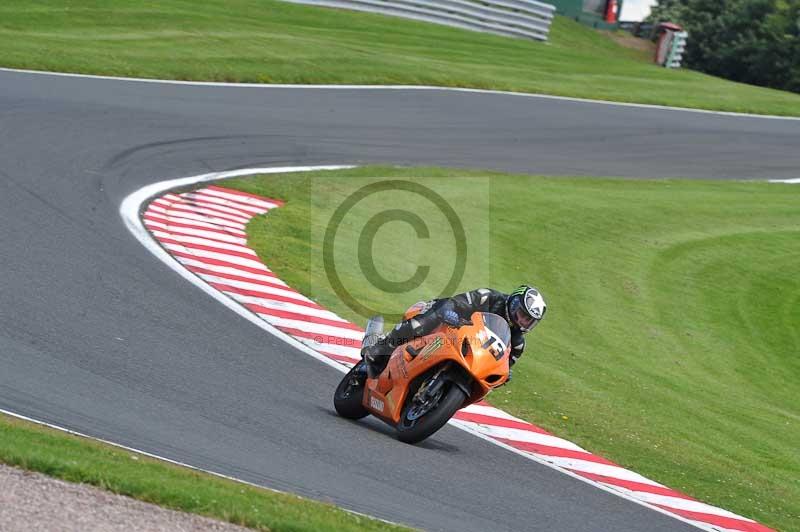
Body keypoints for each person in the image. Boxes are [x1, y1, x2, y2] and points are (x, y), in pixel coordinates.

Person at [361, 285, 547, 378]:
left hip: (470, 355)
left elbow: (503, 367)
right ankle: (380, 347)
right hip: (449, 323)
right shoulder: (488, 297)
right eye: (522, 314)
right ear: (514, 302)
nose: (522, 321)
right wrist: (451, 313)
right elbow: (456, 302)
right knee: (424, 321)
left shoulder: (517, 344)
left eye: (528, 320)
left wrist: (503, 375)